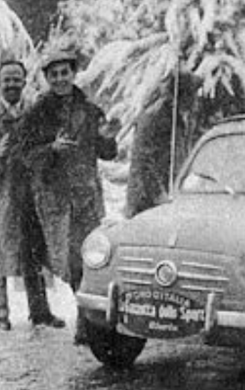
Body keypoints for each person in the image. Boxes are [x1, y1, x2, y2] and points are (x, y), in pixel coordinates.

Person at [17, 49, 119, 345]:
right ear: (47, 78)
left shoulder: (90, 110)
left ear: (73, 74)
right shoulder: (37, 114)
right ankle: (87, 320)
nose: (61, 79)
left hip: (86, 196)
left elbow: (107, 152)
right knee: (67, 261)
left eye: (65, 73)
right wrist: (51, 150)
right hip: (55, 199)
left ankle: (87, 323)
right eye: (54, 74)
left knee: (89, 257)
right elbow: (24, 155)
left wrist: (108, 136)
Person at [0, 59, 65, 331]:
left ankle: (41, 312)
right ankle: (0, 319)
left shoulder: (34, 112)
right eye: (6, 79)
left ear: (24, 82)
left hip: (27, 192)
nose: (11, 84)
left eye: (16, 79)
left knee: (32, 251)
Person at [125, 70, 200, 218]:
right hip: (148, 200)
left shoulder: (182, 116)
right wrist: (159, 195)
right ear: (183, 95)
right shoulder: (156, 117)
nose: (196, 100)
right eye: (193, 94)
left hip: (172, 193)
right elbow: (143, 161)